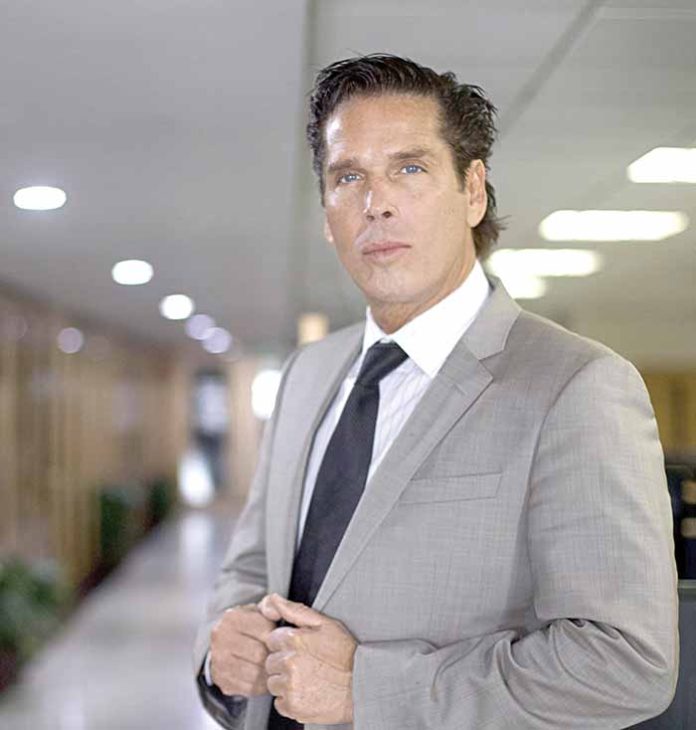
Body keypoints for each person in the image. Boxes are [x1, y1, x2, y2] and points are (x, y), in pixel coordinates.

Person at [194, 54, 679, 730]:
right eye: (348, 177)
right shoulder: (307, 375)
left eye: (410, 169)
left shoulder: (577, 386)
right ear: (327, 212)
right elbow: (251, 566)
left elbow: (625, 664)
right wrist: (222, 645)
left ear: (473, 191)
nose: (377, 203)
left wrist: (368, 689)